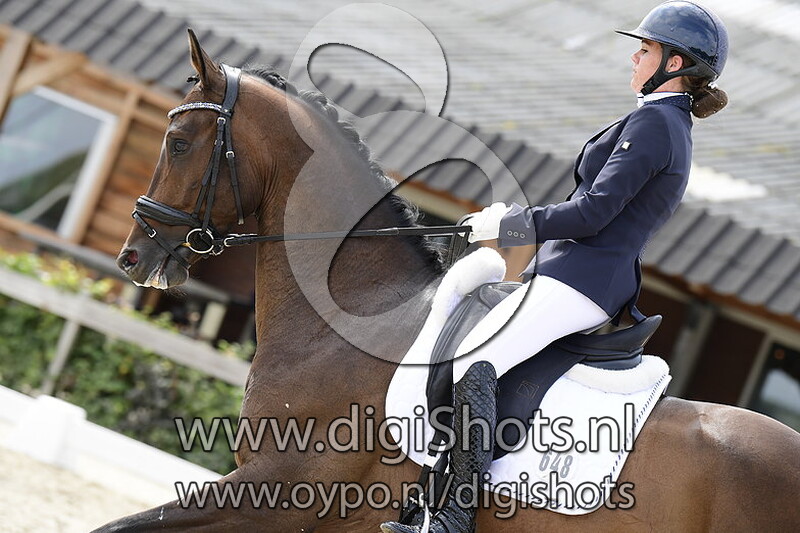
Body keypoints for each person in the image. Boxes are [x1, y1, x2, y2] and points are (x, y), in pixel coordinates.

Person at [380, 2, 729, 532]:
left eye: (645, 49)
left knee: (476, 363)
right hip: (576, 275)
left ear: (675, 64)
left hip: (582, 280)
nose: (634, 57)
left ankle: (454, 517)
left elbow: (591, 214)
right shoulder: (661, 121)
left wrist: (509, 226)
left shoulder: (657, 123)